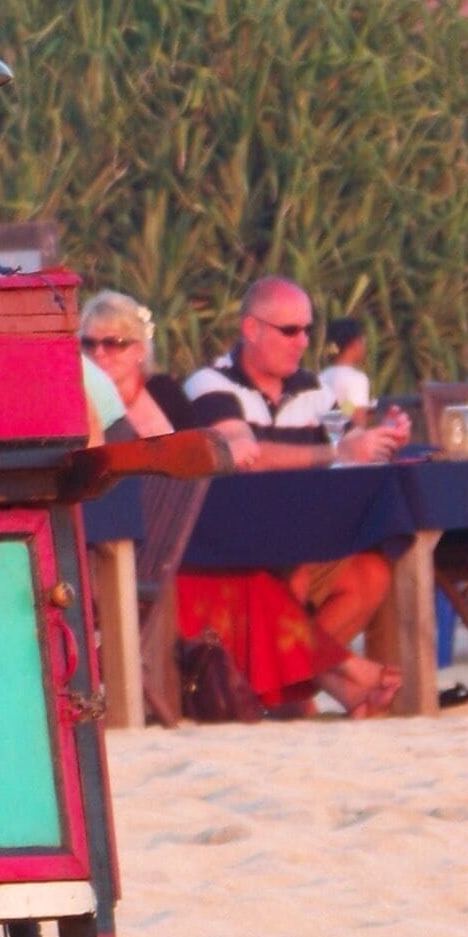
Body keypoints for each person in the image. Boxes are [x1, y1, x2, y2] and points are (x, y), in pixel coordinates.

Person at [175, 275, 408, 718]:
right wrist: (338, 449)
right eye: (290, 330)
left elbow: (351, 442)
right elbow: (242, 454)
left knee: (370, 573)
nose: (302, 341)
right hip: (232, 550)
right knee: (282, 580)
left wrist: (384, 437)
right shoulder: (211, 383)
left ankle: (292, 690)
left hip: (301, 542)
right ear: (251, 329)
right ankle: (340, 681)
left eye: (307, 330)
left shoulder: (313, 390)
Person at [76, 290, 260, 464]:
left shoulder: (164, 389)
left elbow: (198, 447)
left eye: (112, 343)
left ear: (139, 349)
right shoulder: (82, 404)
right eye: (88, 343)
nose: (99, 353)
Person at [318, 316, 370, 417]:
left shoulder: (322, 376)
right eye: (363, 342)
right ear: (355, 343)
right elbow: (357, 424)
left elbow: (342, 409)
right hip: (344, 431)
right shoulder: (357, 379)